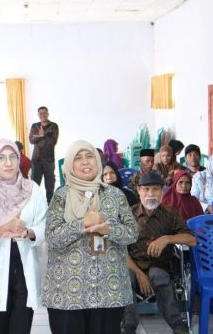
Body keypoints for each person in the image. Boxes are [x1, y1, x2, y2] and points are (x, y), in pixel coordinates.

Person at [42, 140, 137, 333]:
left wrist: (109, 230)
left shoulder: (115, 195)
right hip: (68, 294)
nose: (85, 162)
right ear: (70, 165)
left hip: (108, 291)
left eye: (90, 157)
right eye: (78, 158)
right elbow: (52, 237)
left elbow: (132, 233)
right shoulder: (61, 196)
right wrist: (82, 223)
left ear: (98, 161)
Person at [0, 139, 48, 334]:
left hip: (24, 265)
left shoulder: (32, 190)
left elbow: (44, 225)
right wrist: (1, 229)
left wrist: (28, 232)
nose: (8, 163)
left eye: (13, 156)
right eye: (1, 158)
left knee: (21, 326)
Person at [123, 171, 196, 334]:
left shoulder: (169, 214)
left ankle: (178, 326)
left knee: (160, 277)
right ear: (139, 190)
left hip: (159, 266)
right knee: (126, 278)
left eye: (155, 189)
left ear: (162, 191)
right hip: (132, 266)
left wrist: (167, 239)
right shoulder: (128, 215)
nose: (151, 194)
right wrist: (140, 274)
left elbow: (192, 240)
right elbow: (120, 250)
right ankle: (128, 327)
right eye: (146, 189)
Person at [29, 106, 59, 203]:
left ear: (48, 114)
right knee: (34, 185)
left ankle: (50, 205)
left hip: (49, 160)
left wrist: (40, 136)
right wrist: (40, 136)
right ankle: (35, 204)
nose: (43, 115)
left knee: (50, 185)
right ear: (38, 115)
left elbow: (53, 141)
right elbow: (31, 140)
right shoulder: (35, 126)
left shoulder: (53, 126)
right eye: (40, 113)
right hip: (36, 160)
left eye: (44, 113)